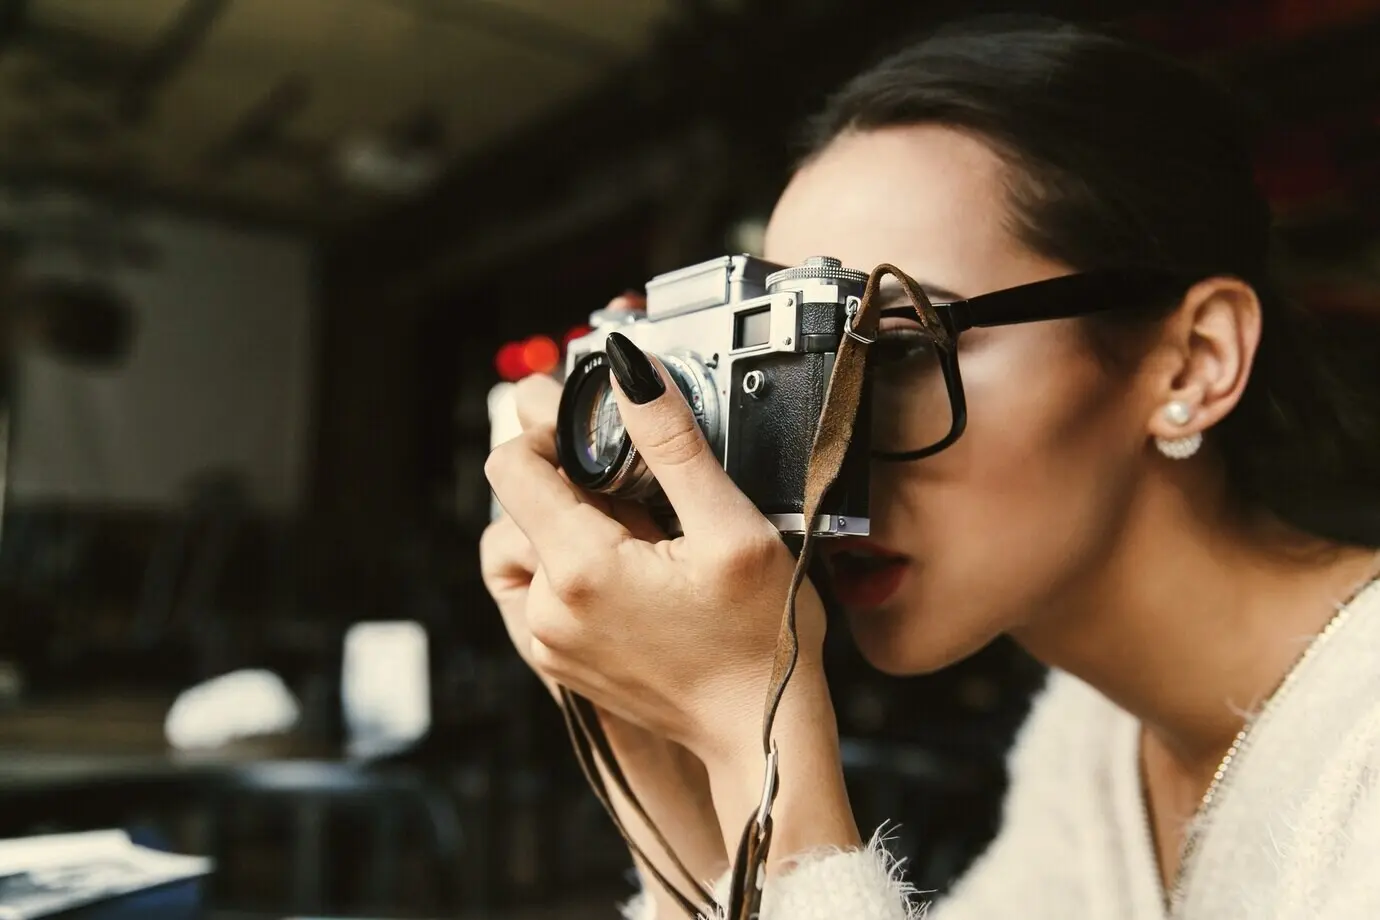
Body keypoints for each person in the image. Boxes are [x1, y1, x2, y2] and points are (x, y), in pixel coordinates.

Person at [481, 15, 1380, 920]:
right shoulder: (1095, 743)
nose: (821, 457)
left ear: (1191, 361)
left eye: (896, 349)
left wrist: (765, 751)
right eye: (785, 373)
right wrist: (657, 755)